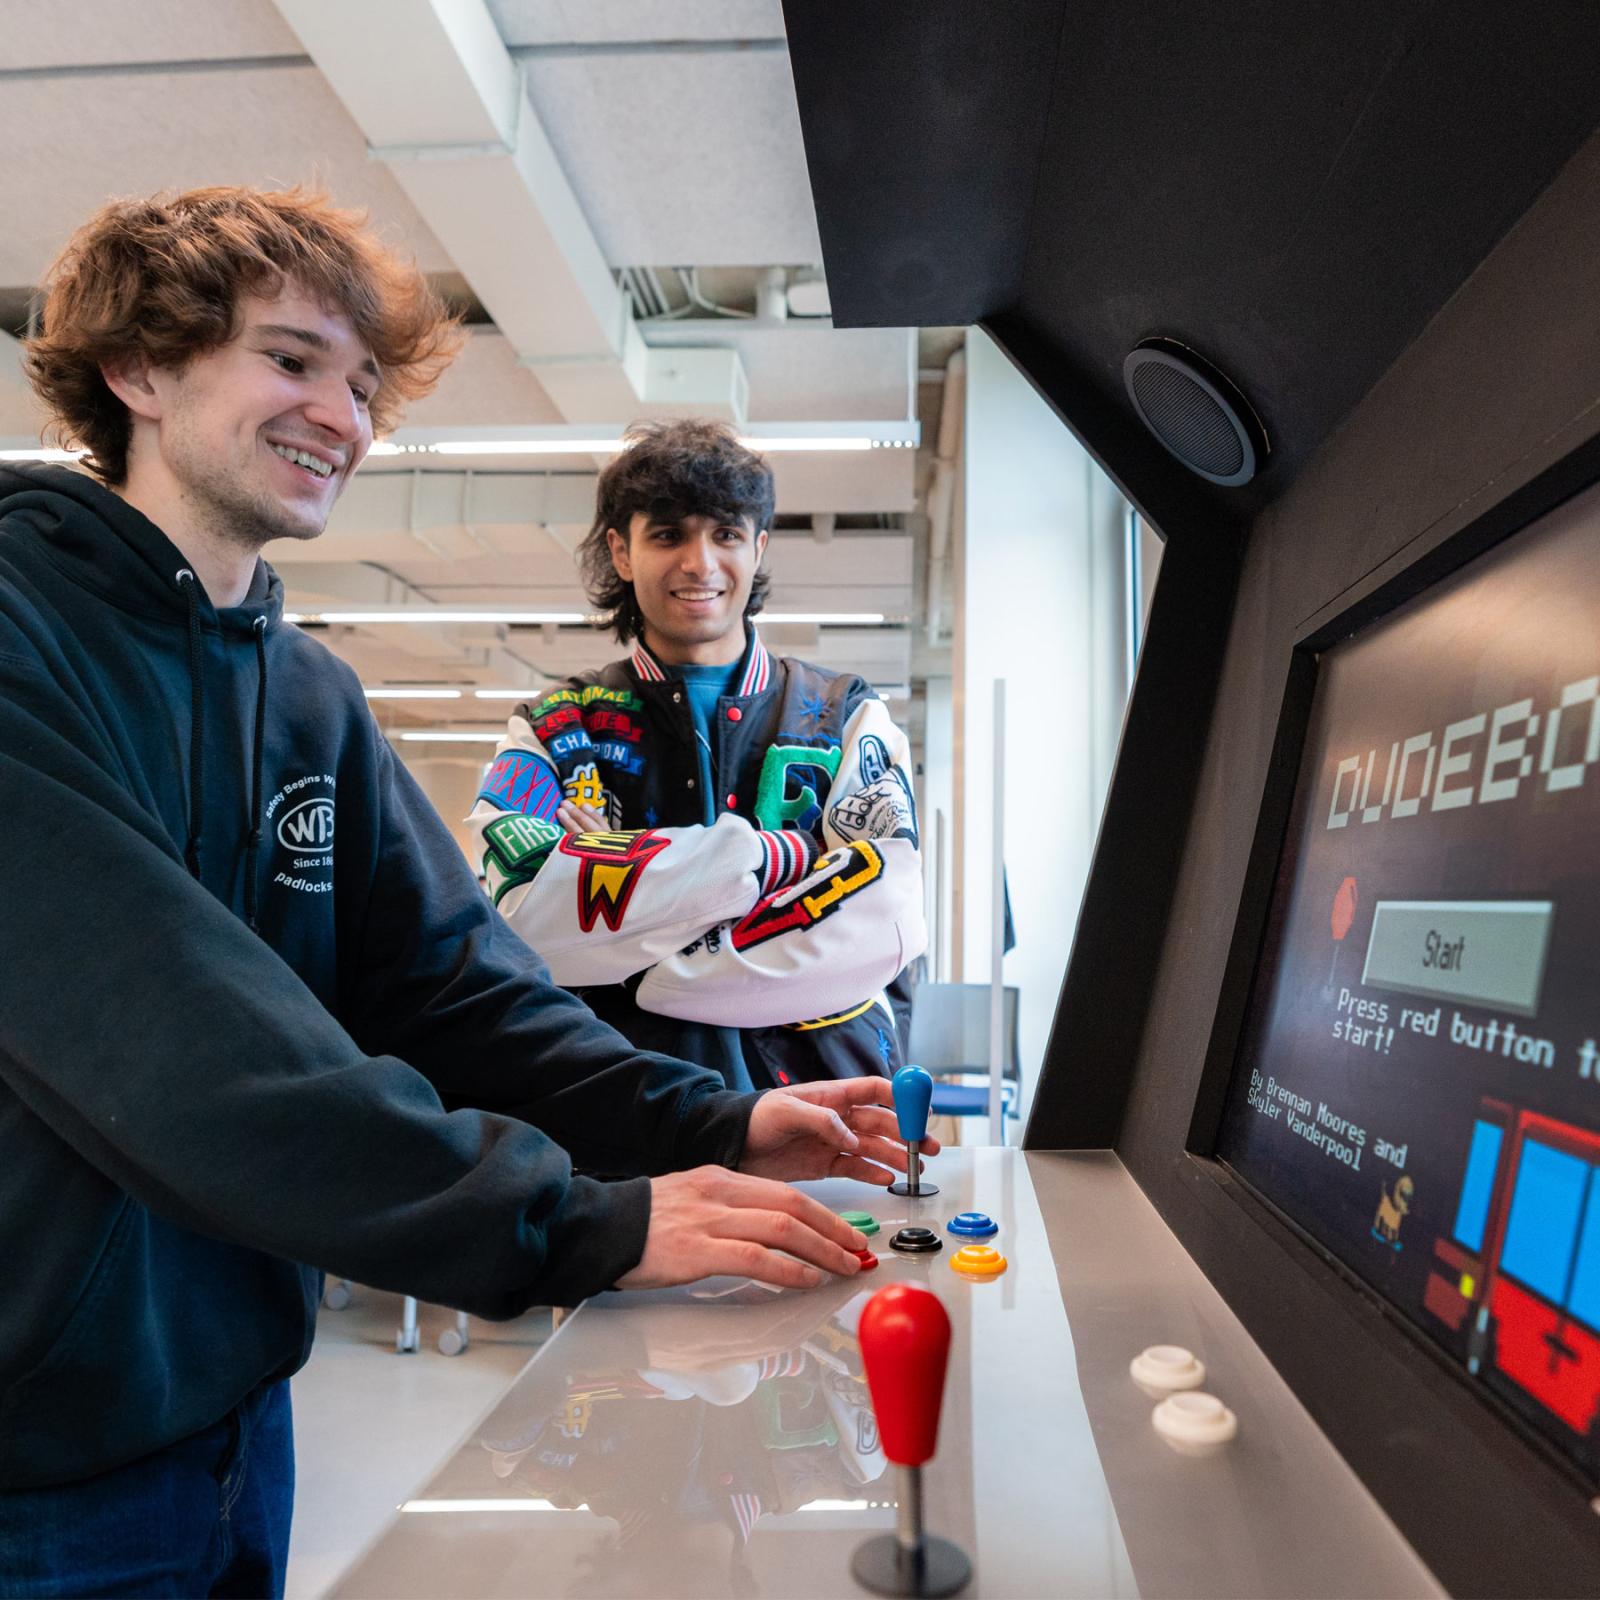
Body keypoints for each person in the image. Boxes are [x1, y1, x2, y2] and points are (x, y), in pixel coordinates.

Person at [0, 187, 933, 1598]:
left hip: (235, 1409)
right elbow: (173, 1037)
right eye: (295, 359)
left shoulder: (304, 695)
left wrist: (717, 1117)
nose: (344, 414)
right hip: (30, 1448)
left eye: (365, 383)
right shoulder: (20, 631)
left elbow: (455, 983)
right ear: (138, 366)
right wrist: (574, 1222)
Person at [467, 420, 925, 1093]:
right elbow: (522, 913)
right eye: (668, 534)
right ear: (622, 552)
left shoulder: (846, 714)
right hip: (617, 1114)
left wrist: (633, 883)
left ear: (759, 546)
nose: (701, 563)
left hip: (824, 1101)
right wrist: (779, 864)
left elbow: (878, 918)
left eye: (727, 534)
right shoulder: (556, 727)